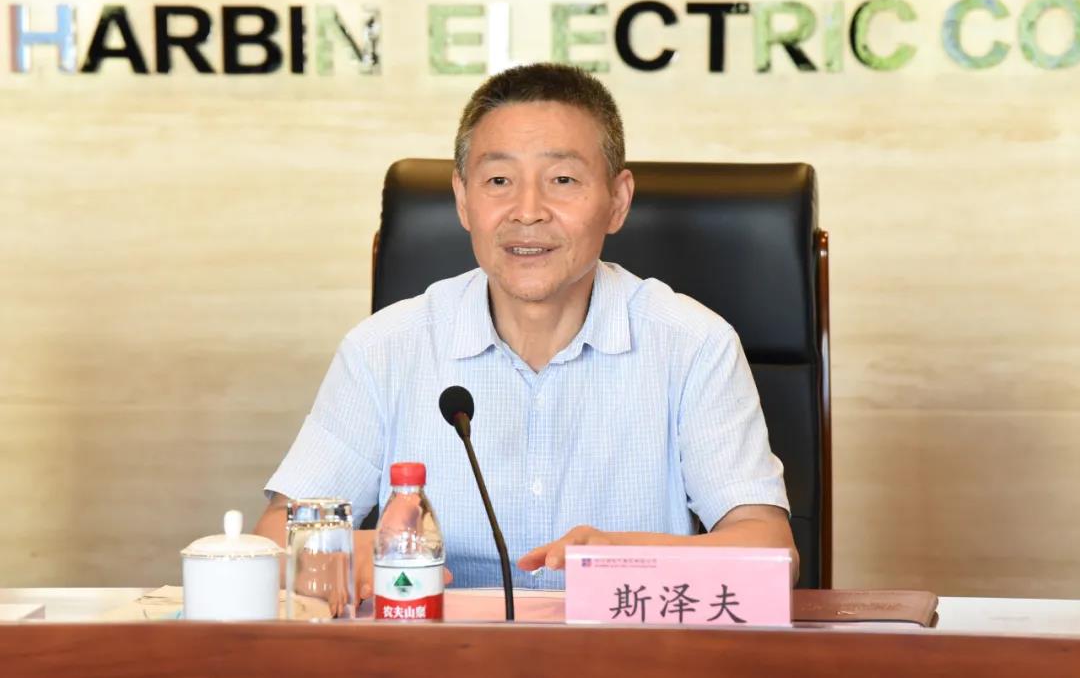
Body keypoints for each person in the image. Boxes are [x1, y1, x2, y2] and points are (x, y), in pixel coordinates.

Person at [255, 63, 797, 603]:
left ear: (618, 200)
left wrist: (622, 556)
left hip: (621, 646)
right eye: (499, 181)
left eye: (563, 180)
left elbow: (770, 550)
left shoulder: (693, 345)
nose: (528, 212)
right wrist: (341, 551)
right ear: (463, 200)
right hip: (439, 647)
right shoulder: (384, 349)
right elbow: (275, 535)